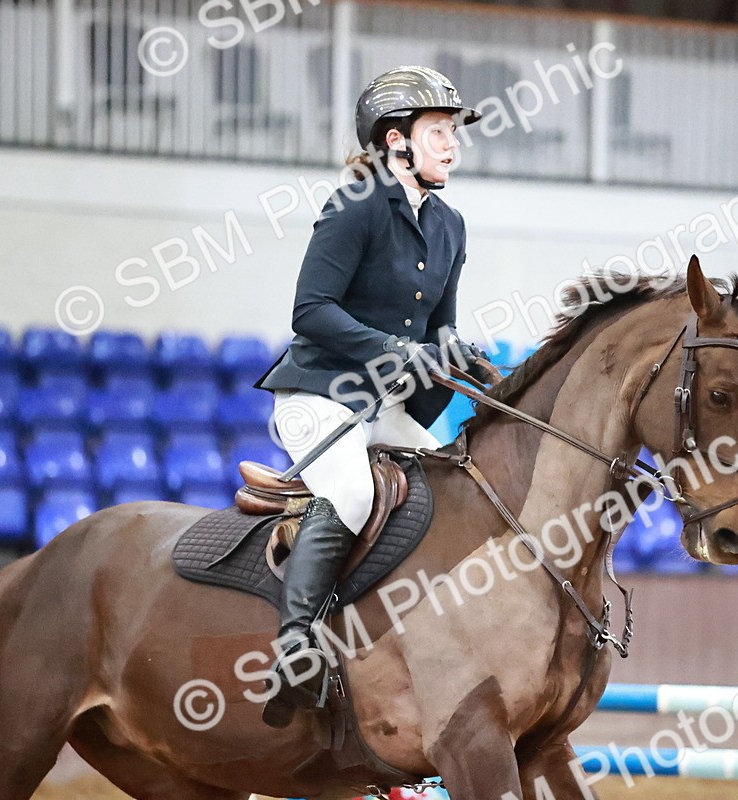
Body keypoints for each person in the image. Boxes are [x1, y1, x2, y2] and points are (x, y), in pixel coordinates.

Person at [253, 65, 494, 725]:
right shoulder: (353, 206)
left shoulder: (450, 224)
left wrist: (459, 353)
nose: (452, 145)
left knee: (455, 485)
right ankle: (295, 648)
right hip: (319, 393)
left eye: (453, 133)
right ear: (395, 141)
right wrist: (396, 351)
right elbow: (312, 310)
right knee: (355, 493)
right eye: (439, 131)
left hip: (388, 406)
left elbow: (438, 326)